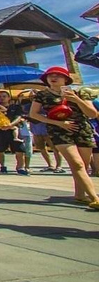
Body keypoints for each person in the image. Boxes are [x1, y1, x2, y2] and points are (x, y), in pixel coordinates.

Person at [30, 66, 99, 210]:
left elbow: (92, 114)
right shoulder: (42, 95)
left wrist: (76, 99)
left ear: (66, 79)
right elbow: (34, 114)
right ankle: (95, 198)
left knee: (83, 167)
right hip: (58, 130)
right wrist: (58, 123)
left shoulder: (80, 92)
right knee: (77, 164)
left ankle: (80, 194)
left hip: (82, 129)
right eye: (50, 76)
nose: (53, 77)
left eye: (58, 75)